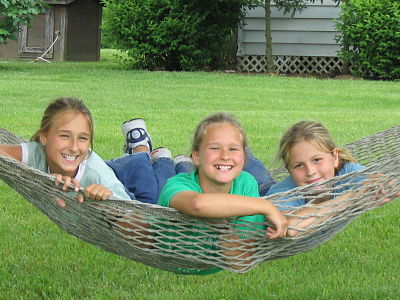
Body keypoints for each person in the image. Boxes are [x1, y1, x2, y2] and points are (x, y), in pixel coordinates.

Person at [157, 112, 288, 275]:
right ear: (196, 157)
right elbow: (197, 205)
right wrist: (265, 206)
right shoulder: (177, 185)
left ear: (243, 157)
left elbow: (240, 260)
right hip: (171, 253)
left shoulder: (246, 183)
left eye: (233, 149)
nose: (225, 156)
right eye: (215, 148)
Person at [267, 120, 398, 236]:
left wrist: (383, 186)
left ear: (335, 157)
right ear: (288, 170)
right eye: (299, 165)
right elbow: (291, 227)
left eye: (317, 160)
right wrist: (351, 198)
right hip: (258, 192)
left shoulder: (345, 172)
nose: (310, 171)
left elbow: (388, 184)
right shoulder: (283, 194)